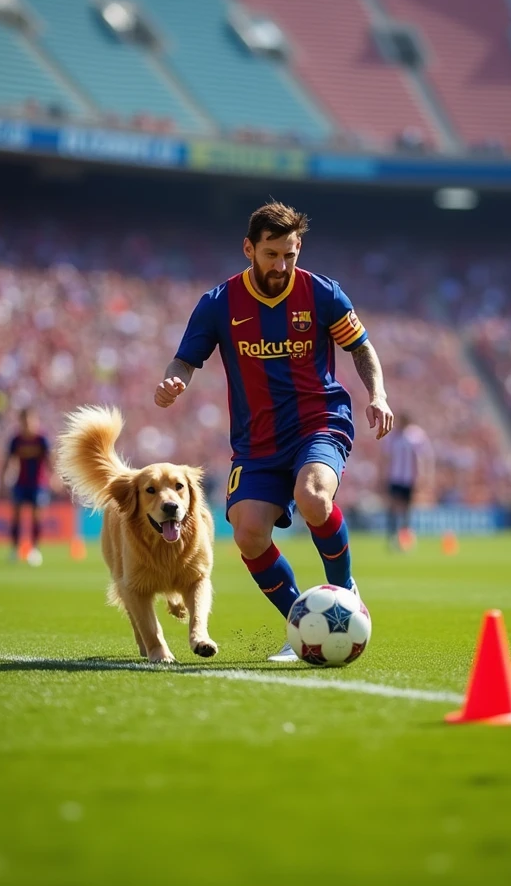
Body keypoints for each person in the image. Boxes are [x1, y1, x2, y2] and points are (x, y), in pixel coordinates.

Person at [154, 201, 393, 661]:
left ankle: (344, 596)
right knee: (247, 533)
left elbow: (361, 348)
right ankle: (302, 623)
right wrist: (175, 379)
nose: (282, 265)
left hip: (318, 421)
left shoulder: (323, 294)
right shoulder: (219, 304)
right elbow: (185, 358)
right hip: (258, 442)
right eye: (271, 255)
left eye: (290, 254)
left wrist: (377, 395)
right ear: (249, 249)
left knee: (314, 497)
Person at [0, 409, 51, 565]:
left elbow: (50, 459)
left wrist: (55, 477)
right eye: (24, 421)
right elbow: (8, 461)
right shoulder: (16, 440)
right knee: (16, 515)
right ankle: (15, 549)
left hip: (38, 484)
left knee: (36, 516)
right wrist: (2, 479)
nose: (27, 425)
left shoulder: (41, 439)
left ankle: (35, 550)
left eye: (30, 421)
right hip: (21, 483)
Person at [384, 412, 434, 549]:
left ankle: (404, 539)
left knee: (406, 510)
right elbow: (386, 457)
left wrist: (423, 476)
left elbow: (424, 457)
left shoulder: (416, 435)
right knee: (393, 507)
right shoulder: (393, 436)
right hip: (395, 476)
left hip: (409, 478)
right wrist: (382, 476)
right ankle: (392, 537)